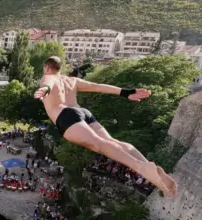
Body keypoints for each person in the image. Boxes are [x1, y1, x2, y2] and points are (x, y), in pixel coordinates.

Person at [33, 56, 177, 197]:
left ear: (47, 67)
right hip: (83, 112)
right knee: (112, 142)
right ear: (60, 68)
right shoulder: (72, 80)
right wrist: (125, 92)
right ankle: (150, 166)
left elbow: (48, 82)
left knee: (98, 144)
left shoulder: (47, 77)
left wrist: (44, 89)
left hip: (64, 115)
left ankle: (141, 167)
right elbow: (97, 87)